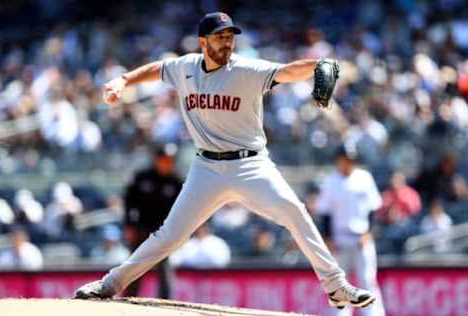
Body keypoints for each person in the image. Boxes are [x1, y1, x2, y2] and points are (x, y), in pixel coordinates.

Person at [74, 12, 375, 310]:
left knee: (295, 212)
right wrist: (125, 79)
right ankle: (109, 284)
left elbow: (287, 71)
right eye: (220, 36)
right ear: (202, 42)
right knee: (169, 235)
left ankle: (336, 286)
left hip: (251, 165)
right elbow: (158, 69)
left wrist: (316, 65)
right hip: (206, 169)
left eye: (230, 36)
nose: (227, 42)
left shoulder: (246, 69)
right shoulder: (185, 67)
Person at [314, 145, 385, 316]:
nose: (347, 162)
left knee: (367, 282)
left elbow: (374, 209)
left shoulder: (364, 178)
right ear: (337, 160)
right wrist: (329, 238)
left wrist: (369, 233)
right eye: (344, 159)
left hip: (362, 238)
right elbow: (325, 213)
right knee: (339, 284)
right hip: (339, 238)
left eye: (350, 159)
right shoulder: (330, 181)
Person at [122, 144, 182, 298]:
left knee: (164, 266)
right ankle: (129, 299)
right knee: (135, 264)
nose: (166, 163)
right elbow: (128, 201)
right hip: (141, 228)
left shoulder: (176, 181)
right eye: (164, 160)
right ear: (156, 159)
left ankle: (166, 303)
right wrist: (129, 224)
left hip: (163, 230)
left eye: (170, 161)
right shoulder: (142, 177)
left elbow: (182, 208)